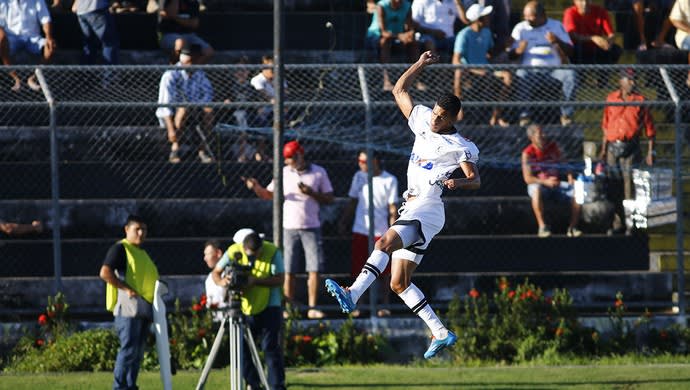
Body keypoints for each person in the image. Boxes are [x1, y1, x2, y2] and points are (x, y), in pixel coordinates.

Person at [326, 51, 480, 359]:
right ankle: (440, 332)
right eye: (434, 113)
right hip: (413, 208)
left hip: (429, 207)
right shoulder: (422, 118)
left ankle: (353, 293)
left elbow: (475, 179)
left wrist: (458, 183)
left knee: (384, 242)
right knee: (398, 283)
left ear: (452, 119)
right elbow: (399, 90)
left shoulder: (461, 146)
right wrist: (420, 64)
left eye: (441, 117)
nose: (434, 119)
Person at [243, 140, 334, 320]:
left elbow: (330, 198)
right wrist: (256, 188)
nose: (289, 162)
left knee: (314, 269)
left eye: (291, 158)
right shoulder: (284, 173)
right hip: (289, 227)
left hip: (311, 226)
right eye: (287, 159)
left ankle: (312, 307)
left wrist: (311, 193)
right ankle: (288, 308)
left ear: (300, 155)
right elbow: (269, 195)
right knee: (289, 269)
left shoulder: (318, 172)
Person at [212, 230, 286, 390]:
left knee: (270, 347)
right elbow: (216, 273)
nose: (253, 258)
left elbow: (280, 279)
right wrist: (223, 281)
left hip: (270, 305)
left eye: (256, 254)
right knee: (240, 348)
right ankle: (253, 383)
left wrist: (255, 281)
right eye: (250, 255)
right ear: (243, 248)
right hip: (244, 306)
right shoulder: (233, 252)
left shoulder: (272, 251)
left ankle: (276, 386)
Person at [99, 215, 159, 390]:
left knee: (137, 352)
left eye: (144, 229)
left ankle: (130, 385)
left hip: (143, 308)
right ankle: (120, 387)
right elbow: (105, 272)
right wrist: (126, 289)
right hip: (127, 308)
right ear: (127, 229)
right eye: (137, 229)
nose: (141, 233)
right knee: (128, 350)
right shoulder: (119, 249)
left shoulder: (142, 253)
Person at [339, 150, 399, 317]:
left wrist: (393, 231)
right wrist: (344, 221)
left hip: (381, 233)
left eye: (364, 161)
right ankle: (359, 305)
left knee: (384, 272)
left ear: (375, 161)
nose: (360, 164)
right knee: (359, 269)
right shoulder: (358, 177)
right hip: (360, 229)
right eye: (359, 160)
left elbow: (392, 208)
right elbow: (352, 201)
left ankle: (384, 305)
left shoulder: (389, 179)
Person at [600, 68, 656, 235]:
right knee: (613, 185)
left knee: (629, 186)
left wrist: (650, 152)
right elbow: (606, 124)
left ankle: (631, 223)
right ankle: (618, 222)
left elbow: (650, 129)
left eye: (634, 79)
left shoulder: (640, 100)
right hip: (612, 147)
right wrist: (603, 149)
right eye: (629, 79)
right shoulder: (611, 98)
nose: (633, 83)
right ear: (621, 81)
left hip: (631, 146)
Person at [510, 1, 576, 127]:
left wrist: (557, 41)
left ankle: (566, 115)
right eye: (525, 16)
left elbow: (571, 51)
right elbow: (510, 55)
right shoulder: (521, 28)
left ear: (542, 15)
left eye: (530, 16)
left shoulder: (556, 26)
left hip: (554, 71)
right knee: (520, 74)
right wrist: (518, 50)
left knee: (570, 74)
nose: (526, 19)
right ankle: (525, 116)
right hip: (530, 72)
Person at [452, 3, 512, 127]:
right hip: (469, 70)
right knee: (458, 72)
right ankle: (459, 112)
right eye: (486, 16)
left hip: (486, 68)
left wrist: (505, 46)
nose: (489, 18)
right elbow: (456, 60)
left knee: (507, 76)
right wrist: (474, 70)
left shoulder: (487, 32)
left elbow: (490, 53)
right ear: (479, 20)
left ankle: (496, 116)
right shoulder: (464, 34)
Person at [155, 43, 215, 163]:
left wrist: (202, 107)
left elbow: (207, 96)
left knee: (209, 110)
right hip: (172, 116)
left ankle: (203, 150)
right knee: (183, 108)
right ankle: (175, 149)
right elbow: (164, 106)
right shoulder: (170, 75)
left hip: (195, 112)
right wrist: (171, 129)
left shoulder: (200, 74)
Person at [521, 124, 582, 238]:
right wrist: (545, 182)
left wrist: (570, 177)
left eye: (544, 133)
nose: (544, 136)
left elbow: (565, 164)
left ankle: (573, 227)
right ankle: (542, 227)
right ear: (532, 137)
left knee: (578, 192)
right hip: (541, 185)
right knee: (536, 190)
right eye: (540, 134)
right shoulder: (527, 153)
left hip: (557, 184)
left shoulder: (553, 147)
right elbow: (528, 179)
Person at [0, 0, 56, 92]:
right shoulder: (3, 1)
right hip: (12, 38)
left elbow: (45, 19)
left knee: (50, 46)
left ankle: (34, 78)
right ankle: (15, 78)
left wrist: (48, 36)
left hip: (33, 38)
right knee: (0, 42)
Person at [365, 0, 419, 90]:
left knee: (413, 43)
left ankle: (415, 81)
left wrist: (410, 34)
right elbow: (383, 32)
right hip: (376, 36)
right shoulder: (381, 6)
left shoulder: (407, 5)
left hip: (396, 37)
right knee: (385, 42)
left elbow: (409, 27)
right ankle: (386, 81)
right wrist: (400, 36)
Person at [562, 0, 621, 66]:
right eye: (581, 1)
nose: (584, 3)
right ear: (575, 1)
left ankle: (604, 74)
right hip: (579, 48)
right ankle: (580, 74)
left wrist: (609, 42)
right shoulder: (570, 12)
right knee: (575, 50)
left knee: (615, 49)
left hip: (597, 48)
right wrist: (592, 38)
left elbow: (611, 34)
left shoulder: (600, 11)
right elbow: (572, 35)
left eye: (587, 0)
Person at [72, 0, 120, 65]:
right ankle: (109, 73)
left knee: (89, 43)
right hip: (96, 9)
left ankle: (87, 72)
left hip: (81, 11)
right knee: (109, 43)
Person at [250, 55, 288, 127]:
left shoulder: (280, 79)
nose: (274, 71)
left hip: (279, 104)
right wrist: (273, 100)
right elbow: (263, 94)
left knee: (285, 109)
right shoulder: (256, 79)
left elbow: (286, 92)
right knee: (263, 111)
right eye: (271, 69)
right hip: (263, 105)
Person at [202, 239, 227, 320]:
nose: (205, 258)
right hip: (215, 321)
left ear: (218, 253)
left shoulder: (229, 274)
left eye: (207, 254)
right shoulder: (209, 278)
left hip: (229, 320)